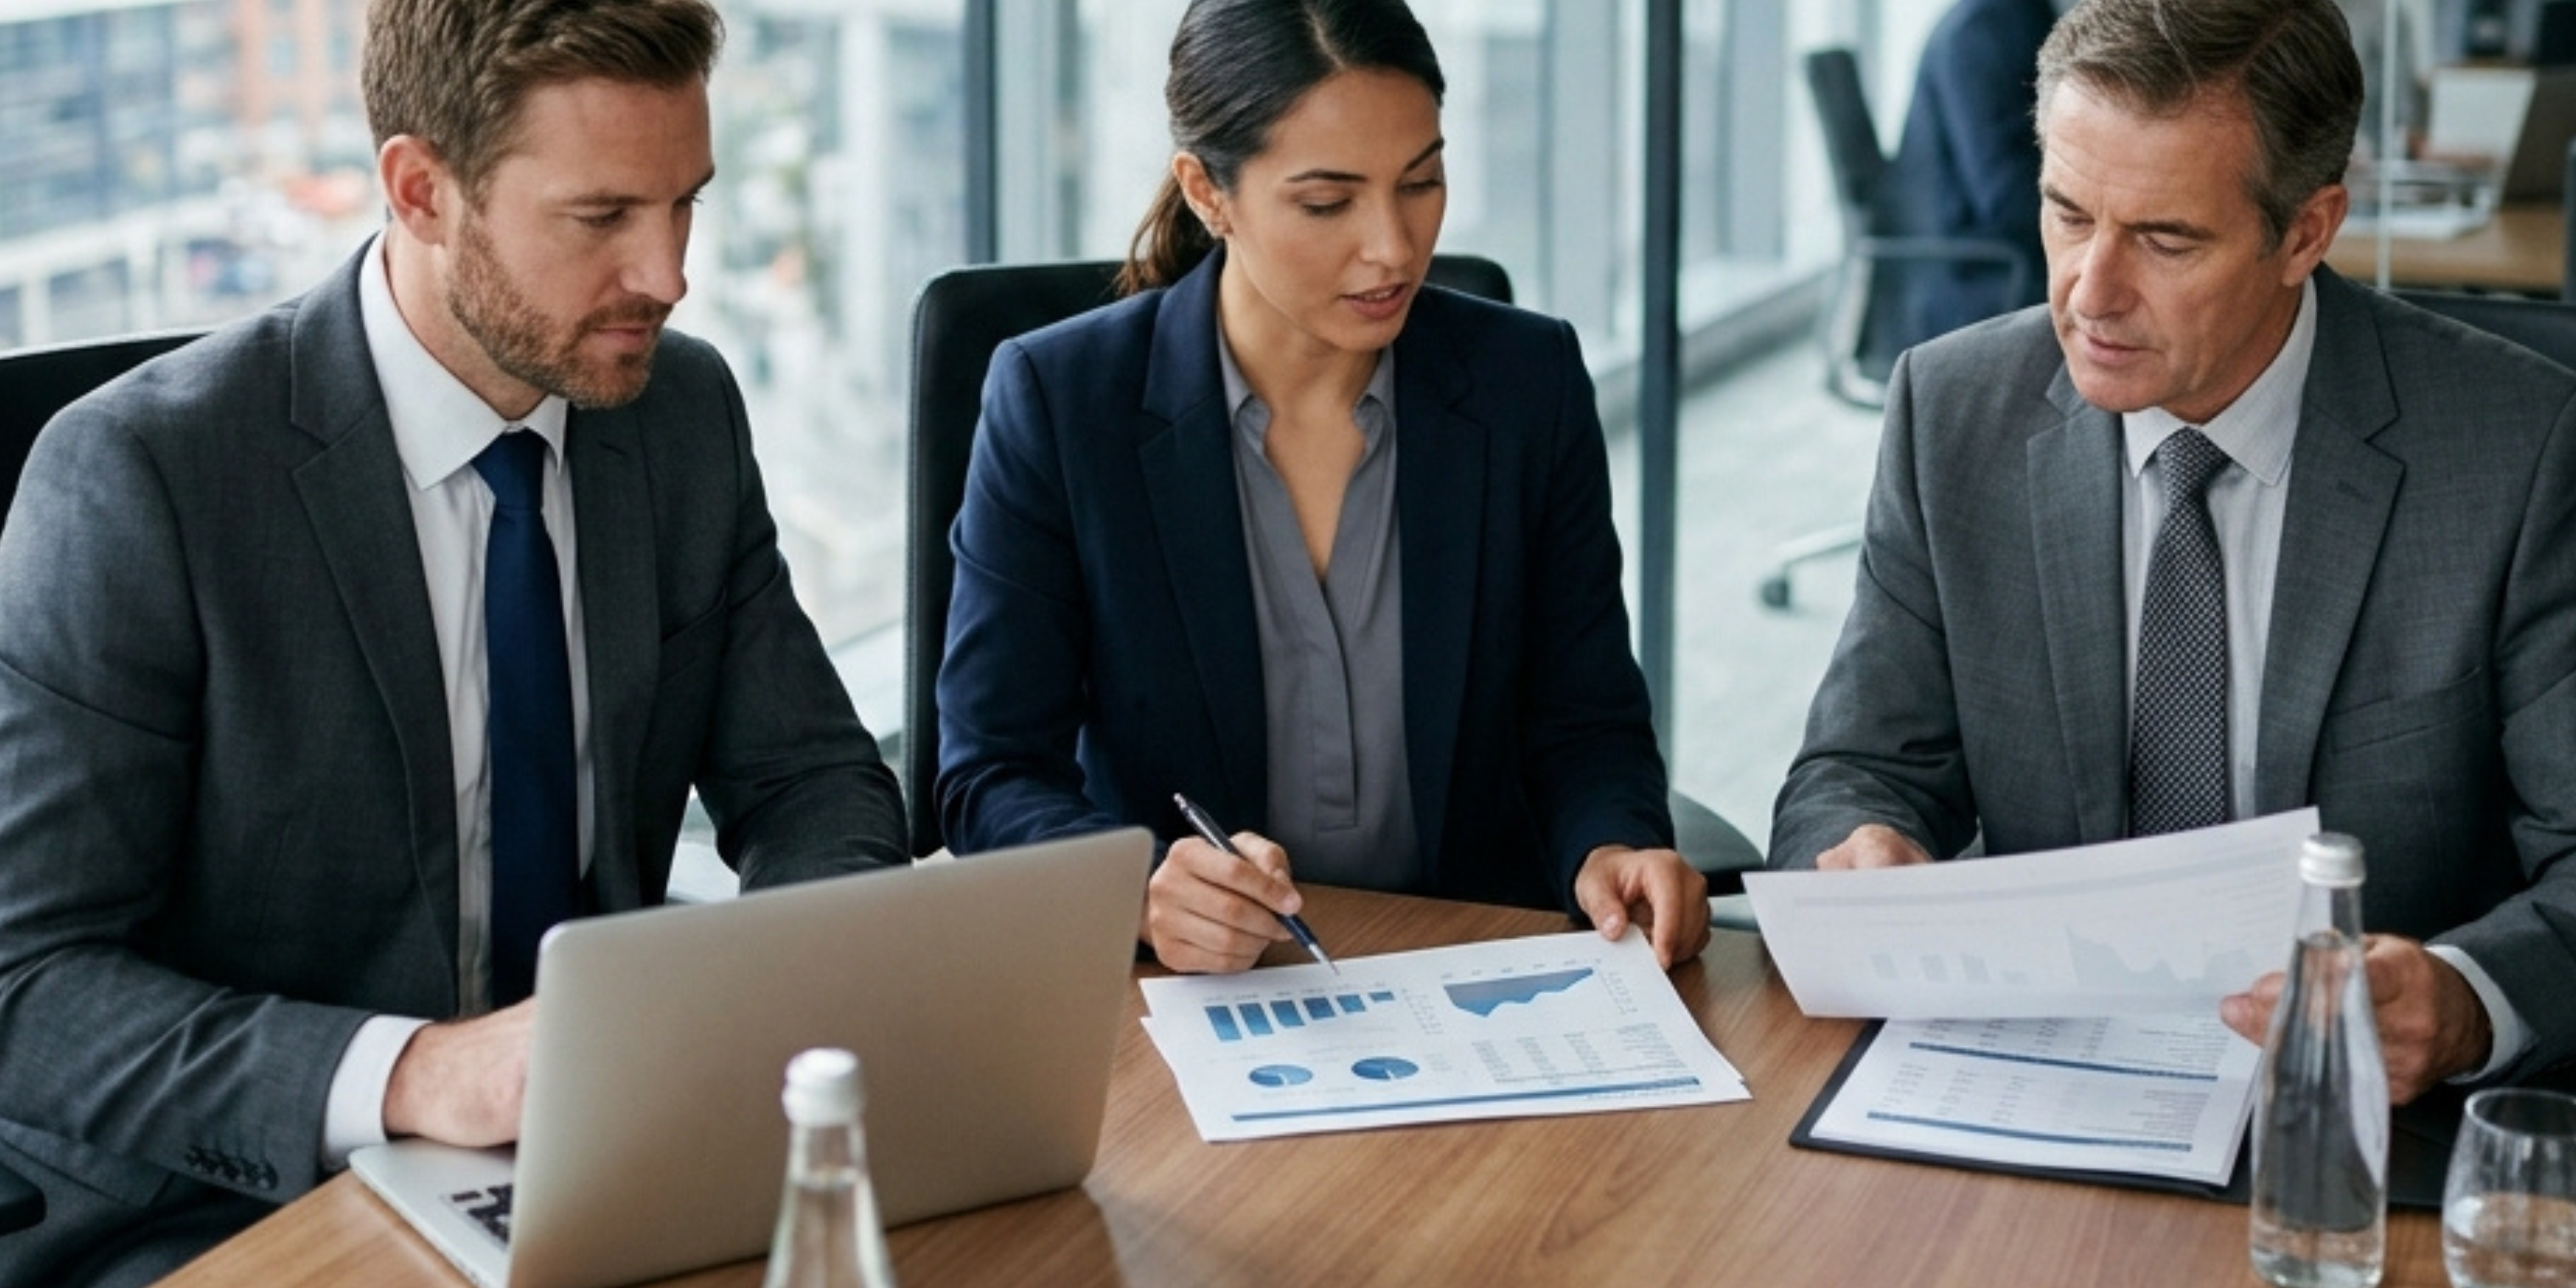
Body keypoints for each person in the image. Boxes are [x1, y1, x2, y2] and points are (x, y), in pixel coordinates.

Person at [0, 0, 907, 1281]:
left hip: (597, 1150)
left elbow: (810, 779)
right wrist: (423, 1072)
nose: (669, 274)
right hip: (227, 1202)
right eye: (602, 219)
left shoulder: (679, 412)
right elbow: (23, 983)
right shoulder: (143, 481)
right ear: (421, 190)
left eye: (685, 202)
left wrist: (783, 1020)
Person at [1770, 0, 2576, 1104]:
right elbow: (1857, 768)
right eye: (2066, 214)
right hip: (2037, 1096)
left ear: (2307, 229)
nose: (2089, 294)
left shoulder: (2515, 451)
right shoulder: (1952, 412)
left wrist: (2462, 999)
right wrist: (1863, 845)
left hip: (2364, 1125)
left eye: (2164, 239)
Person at [936, 0, 1709, 976]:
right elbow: (989, 773)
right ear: (1208, 193)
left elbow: (1584, 720)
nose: (1393, 246)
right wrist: (1137, 889)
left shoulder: (1528, 384)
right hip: (1199, 999)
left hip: (1481, 973)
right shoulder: (1061, 402)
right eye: (1327, 202)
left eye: (1420, 181)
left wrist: (1613, 845)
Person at [1866, 0, 2058, 374]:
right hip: (1972, 274)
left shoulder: (2004, 17)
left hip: (1973, 258)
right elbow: (2005, 198)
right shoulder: (1985, 30)